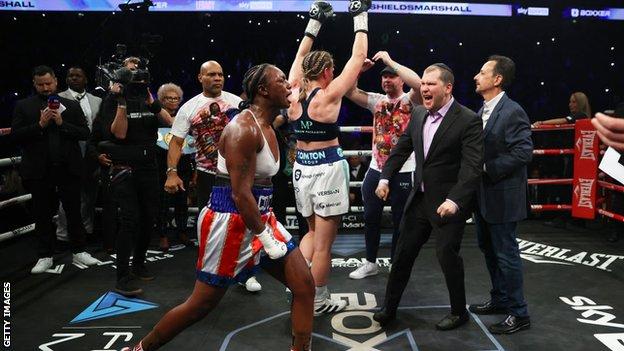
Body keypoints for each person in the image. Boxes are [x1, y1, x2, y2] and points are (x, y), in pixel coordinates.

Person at [123, 64, 315, 351]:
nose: (289, 86)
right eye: (282, 81)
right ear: (263, 90)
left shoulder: (267, 126)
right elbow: (240, 193)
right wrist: (264, 237)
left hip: (260, 215)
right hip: (230, 220)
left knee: (304, 285)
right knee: (201, 305)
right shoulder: (243, 128)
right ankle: (141, 349)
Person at [372, 63, 483, 330]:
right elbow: (401, 149)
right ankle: (389, 307)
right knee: (401, 255)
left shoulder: (467, 119)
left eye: (431, 84)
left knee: (447, 256)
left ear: (447, 88)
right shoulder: (419, 113)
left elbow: (472, 167)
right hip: (419, 199)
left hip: (448, 204)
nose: (424, 88)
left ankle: (459, 312)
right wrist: (385, 177)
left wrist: (455, 200)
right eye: (422, 83)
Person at [287, 0, 370, 315]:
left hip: (301, 170)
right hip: (327, 169)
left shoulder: (293, 92)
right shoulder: (330, 94)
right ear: (326, 71)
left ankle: (293, 283)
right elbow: (359, 56)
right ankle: (318, 299)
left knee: (310, 233)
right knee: (323, 245)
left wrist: (314, 21)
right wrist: (360, 15)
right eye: (332, 70)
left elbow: (298, 57)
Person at [163, 61, 262, 291]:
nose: (217, 78)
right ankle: (210, 274)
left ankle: (247, 274)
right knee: (209, 227)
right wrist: (172, 172)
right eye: (211, 74)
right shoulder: (190, 107)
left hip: (240, 174)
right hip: (208, 174)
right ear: (200, 77)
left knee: (247, 222)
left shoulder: (237, 103)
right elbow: (176, 142)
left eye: (220, 74)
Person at [11, 65, 99, 273]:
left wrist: (62, 123)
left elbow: (85, 133)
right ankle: (44, 255)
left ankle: (79, 250)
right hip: (39, 170)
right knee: (42, 213)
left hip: (68, 167)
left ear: (56, 82)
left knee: (74, 211)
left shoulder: (70, 104)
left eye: (48, 83)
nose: (45, 87)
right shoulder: (24, 106)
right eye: (40, 84)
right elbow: (16, 135)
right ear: (34, 84)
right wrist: (39, 125)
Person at [469, 55, 533, 334]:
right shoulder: (483, 109)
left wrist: (486, 167)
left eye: (482, 72)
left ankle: (519, 314)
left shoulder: (512, 110)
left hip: (503, 196)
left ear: (497, 79)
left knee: (506, 253)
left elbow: (523, 152)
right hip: (483, 196)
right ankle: (500, 300)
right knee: (489, 250)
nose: (476, 76)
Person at [345, 51, 421, 279]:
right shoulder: (376, 101)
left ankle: (397, 263)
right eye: (384, 77)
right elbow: (350, 91)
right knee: (370, 216)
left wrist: (390, 61)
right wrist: (359, 71)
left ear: (400, 79)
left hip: (405, 169)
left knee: (401, 220)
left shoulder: (411, 100)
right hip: (376, 169)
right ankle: (370, 262)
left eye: (392, 76)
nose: (387, 80)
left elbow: (418, 84)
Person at [56, 66, 102, 244]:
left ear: (86, 79)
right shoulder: (58, 99)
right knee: (67, 196)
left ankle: (87, 230)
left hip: (92, 152)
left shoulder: (97, 100)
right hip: (69, 151)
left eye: (78, 76)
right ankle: (62, 234)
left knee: (90, 194)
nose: (74, 78)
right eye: (70, 76)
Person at [154, 83, 192, 252]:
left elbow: (191, 142)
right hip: (161, 164)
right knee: (162, 202)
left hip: (183, 164)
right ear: (162, 100)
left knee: (182, 201)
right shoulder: (155, 117)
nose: (173, 101)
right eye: (169, 98)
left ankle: (182, 231)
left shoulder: (185, 117)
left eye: (176, 98)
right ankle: (162, 235)